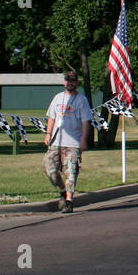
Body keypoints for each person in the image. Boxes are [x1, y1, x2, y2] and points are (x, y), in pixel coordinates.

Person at [44, 74, 94, 213]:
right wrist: (48, 134)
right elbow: (51, 118)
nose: (70, 83)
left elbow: (85, 122)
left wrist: (84, 140)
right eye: (67, 80)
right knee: (50, 170)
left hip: (73, 143)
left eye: (73, 81)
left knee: (71, 171)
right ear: (64, 83)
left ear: (77, 83)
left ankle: (69, 201)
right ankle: (63, 190)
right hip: (56, 141)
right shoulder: (58, 98)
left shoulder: (82, 100)